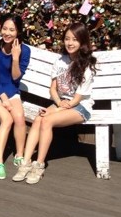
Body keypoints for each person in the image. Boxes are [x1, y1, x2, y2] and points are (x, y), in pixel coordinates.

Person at [12, 22, 97, 184]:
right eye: (67, 39)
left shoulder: (86, 66)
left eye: (75, 39)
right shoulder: (60, 62)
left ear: (83, 42)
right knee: (39, 119)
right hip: (61, 102)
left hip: (80, 107)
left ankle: (39, 164)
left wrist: (57, 110)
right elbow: (53, 90)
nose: (70, 43)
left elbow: (78, 98)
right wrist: (57, 103)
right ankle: (26, 162)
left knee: (47, 120)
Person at [0, 13, 31, 179]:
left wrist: (15, 58)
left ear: (18, 32)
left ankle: (19, 155)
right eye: (4, 29)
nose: (7, 33)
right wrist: (4, 100)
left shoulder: (25, 50)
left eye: (12, 30)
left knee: (19, 117)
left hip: (11, 91)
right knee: (7, 119)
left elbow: (16, 77)